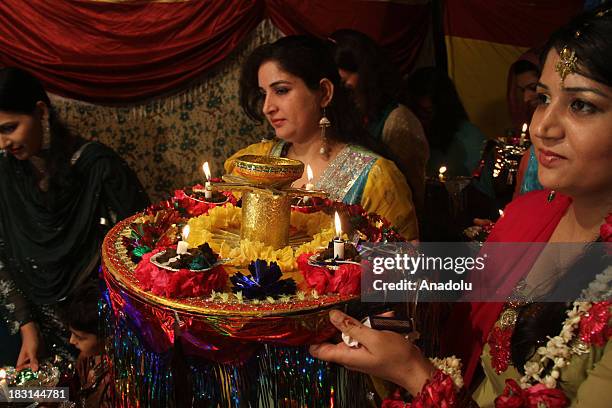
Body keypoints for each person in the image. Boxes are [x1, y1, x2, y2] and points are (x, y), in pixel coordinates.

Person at [310, 5, 612, 407]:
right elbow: (483, 293)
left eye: (582, 105)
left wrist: (416, 376)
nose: (542, 126)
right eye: (543, 98)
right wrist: (416, 272)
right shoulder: (534, 212)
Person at [0, 67, 149, 371]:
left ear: (40, 111)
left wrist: (98, 332)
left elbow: (142, 255)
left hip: (98, 332)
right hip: (30, 330)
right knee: (24, 397)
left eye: (9, 127)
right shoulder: (4, 173)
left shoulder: (96, 167)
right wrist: (27, 326)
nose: (3, 143)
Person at [225, 35, 419, 240]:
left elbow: (405, 265)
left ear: (325, 93)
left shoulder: (375, 177)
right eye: (264, 93)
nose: (267, 108)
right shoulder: (254, 163)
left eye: (281, 90)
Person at [329, 29, 429, 208]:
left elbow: (410, 192)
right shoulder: (345, 118)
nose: (342, 90)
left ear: (368, 73)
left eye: (346, 81)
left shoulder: (397, 120)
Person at [406, 67, 486, 178]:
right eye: (414, 113)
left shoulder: (470, 140)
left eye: (426, 113)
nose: (419, 122)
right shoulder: (409, 134)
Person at [65, 283, 113, 407]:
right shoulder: (87, 357)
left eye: (80, 337)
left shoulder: (116, 384)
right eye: (72, 333)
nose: (71, 341)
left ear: (107, 337)